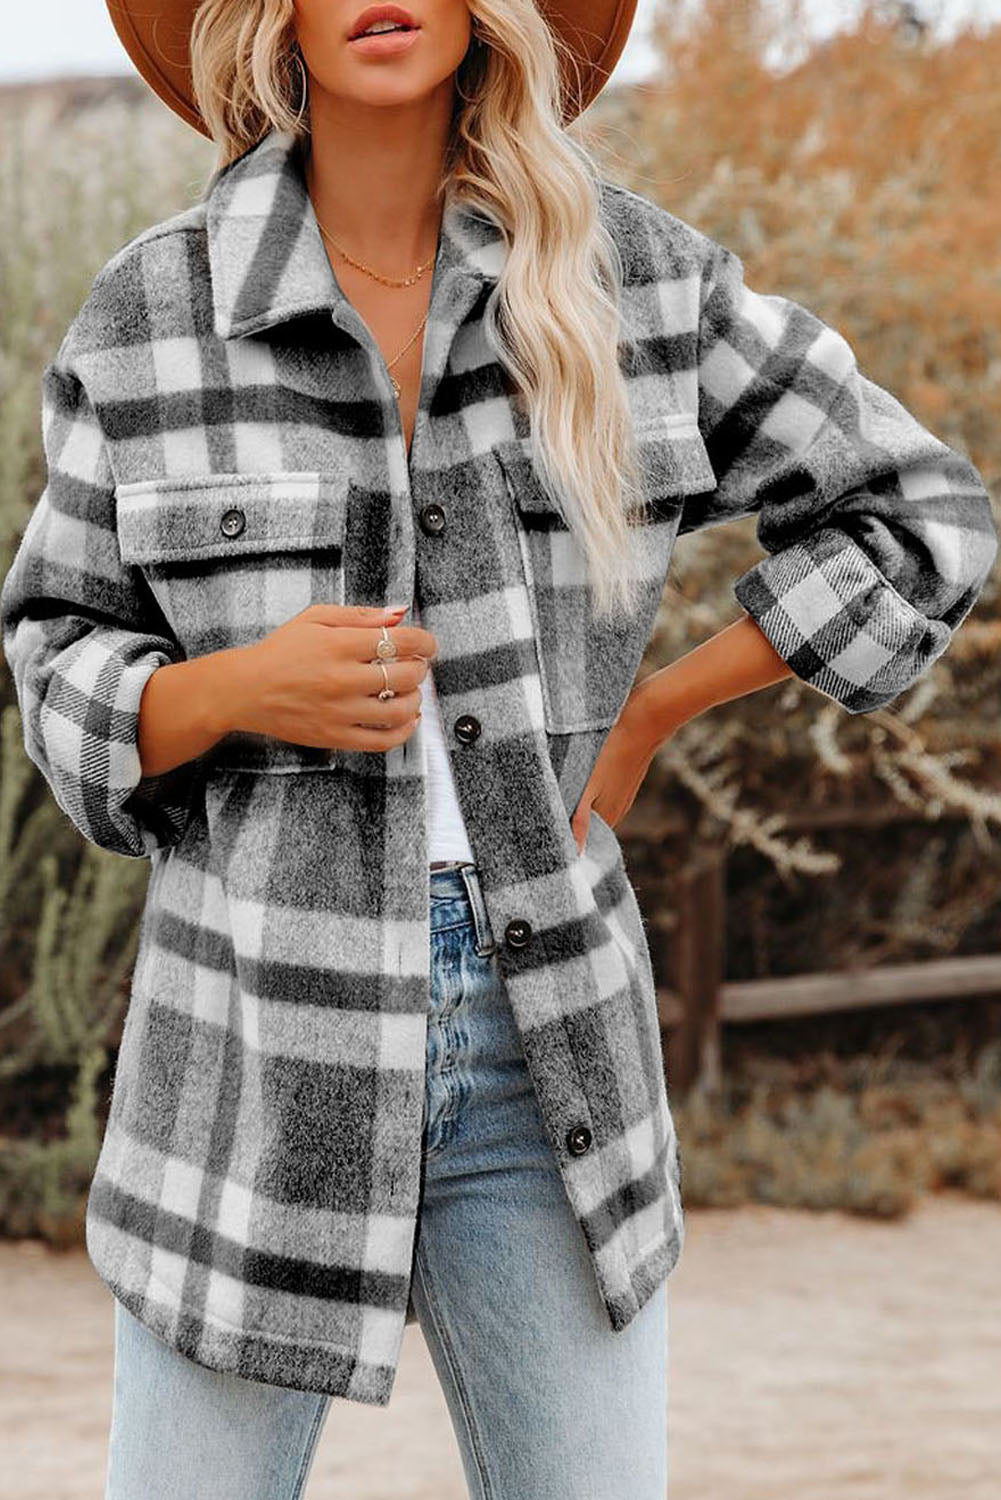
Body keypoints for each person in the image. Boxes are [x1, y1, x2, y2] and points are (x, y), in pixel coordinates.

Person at [1, 0, 996, 1496]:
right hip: (253, 1041)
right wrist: (232, 689)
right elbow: (53, 648)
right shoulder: (155, 310)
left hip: (548, 1053)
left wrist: (656, 708)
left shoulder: (630, 278)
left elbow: (925, 516)